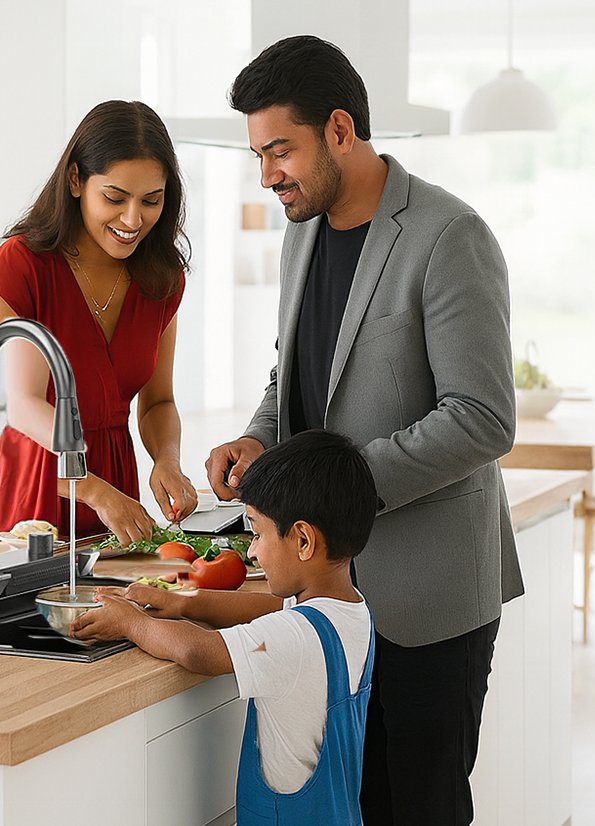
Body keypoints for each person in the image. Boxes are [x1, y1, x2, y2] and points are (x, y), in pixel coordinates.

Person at [203, 36, 521, 826]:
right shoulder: (299, 232)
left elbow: (482, 417)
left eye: (281, 150)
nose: (268, 173)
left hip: (427, 599)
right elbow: (296, 376)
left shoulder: (449, 236)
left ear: (340, 130)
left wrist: (331, 495)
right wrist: (257, 438)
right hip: (327, 602)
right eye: (258, 155)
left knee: (418, 811)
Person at [74, 429, 378, 825]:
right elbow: (263, 608)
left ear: (303, 540)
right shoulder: (348, 611)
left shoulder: (293, 638)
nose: (251, 550)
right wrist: (182, 599)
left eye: (257, 532)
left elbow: (198, 651)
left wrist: (131, 622)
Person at [0, 100, 197, 546]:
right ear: (76, 179)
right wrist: (92, 490)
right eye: (114, 198)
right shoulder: (22, 267)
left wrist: (167, 460)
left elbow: (157, 403)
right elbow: (16, 406)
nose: (133, 220)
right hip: (39, 486)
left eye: (151, 200)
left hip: (115, 488)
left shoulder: (162, 279)